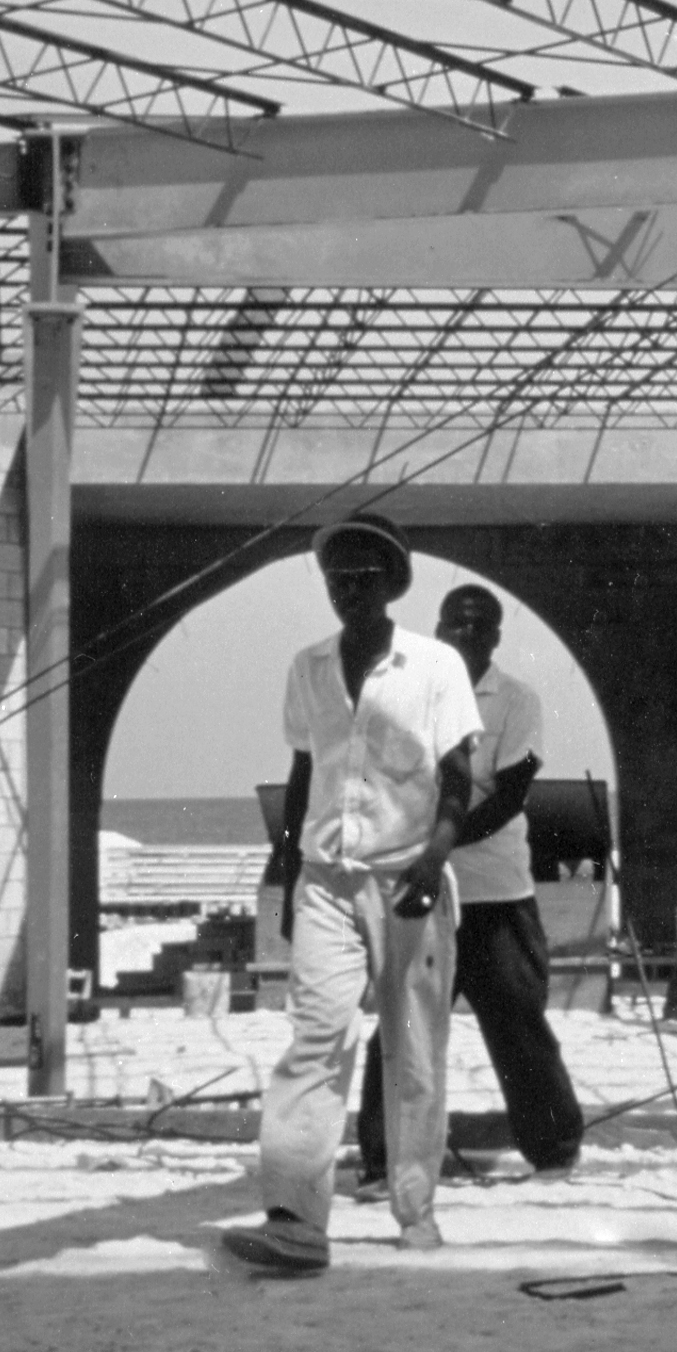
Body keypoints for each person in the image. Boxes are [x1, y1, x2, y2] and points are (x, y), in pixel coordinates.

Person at [221, 513, 479, 1275]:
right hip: (328, 882)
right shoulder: (306, 667)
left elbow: (460, 782)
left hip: (412, 882)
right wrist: (287, 866)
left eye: (363, 579)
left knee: (414, 1055)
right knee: (315, 1039)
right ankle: (295, 1222)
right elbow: (307, 770)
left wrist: (433, 863)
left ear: (390, 585)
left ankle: (414, 1209)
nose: (348, 592)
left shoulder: (435, 667)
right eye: (337, 580)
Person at [356, 583, 585, 1189]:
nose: (464, 635)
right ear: (438, 630)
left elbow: (510, 795)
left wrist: (439, 848)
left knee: (517, 1025)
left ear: (495, 637)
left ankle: (555, 1150)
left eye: (477, 627)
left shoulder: (516, 700)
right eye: (454, 625)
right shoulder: (410, 695)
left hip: (497, 897)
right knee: (402, 1027)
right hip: (425, 896)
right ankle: (383, 1160)